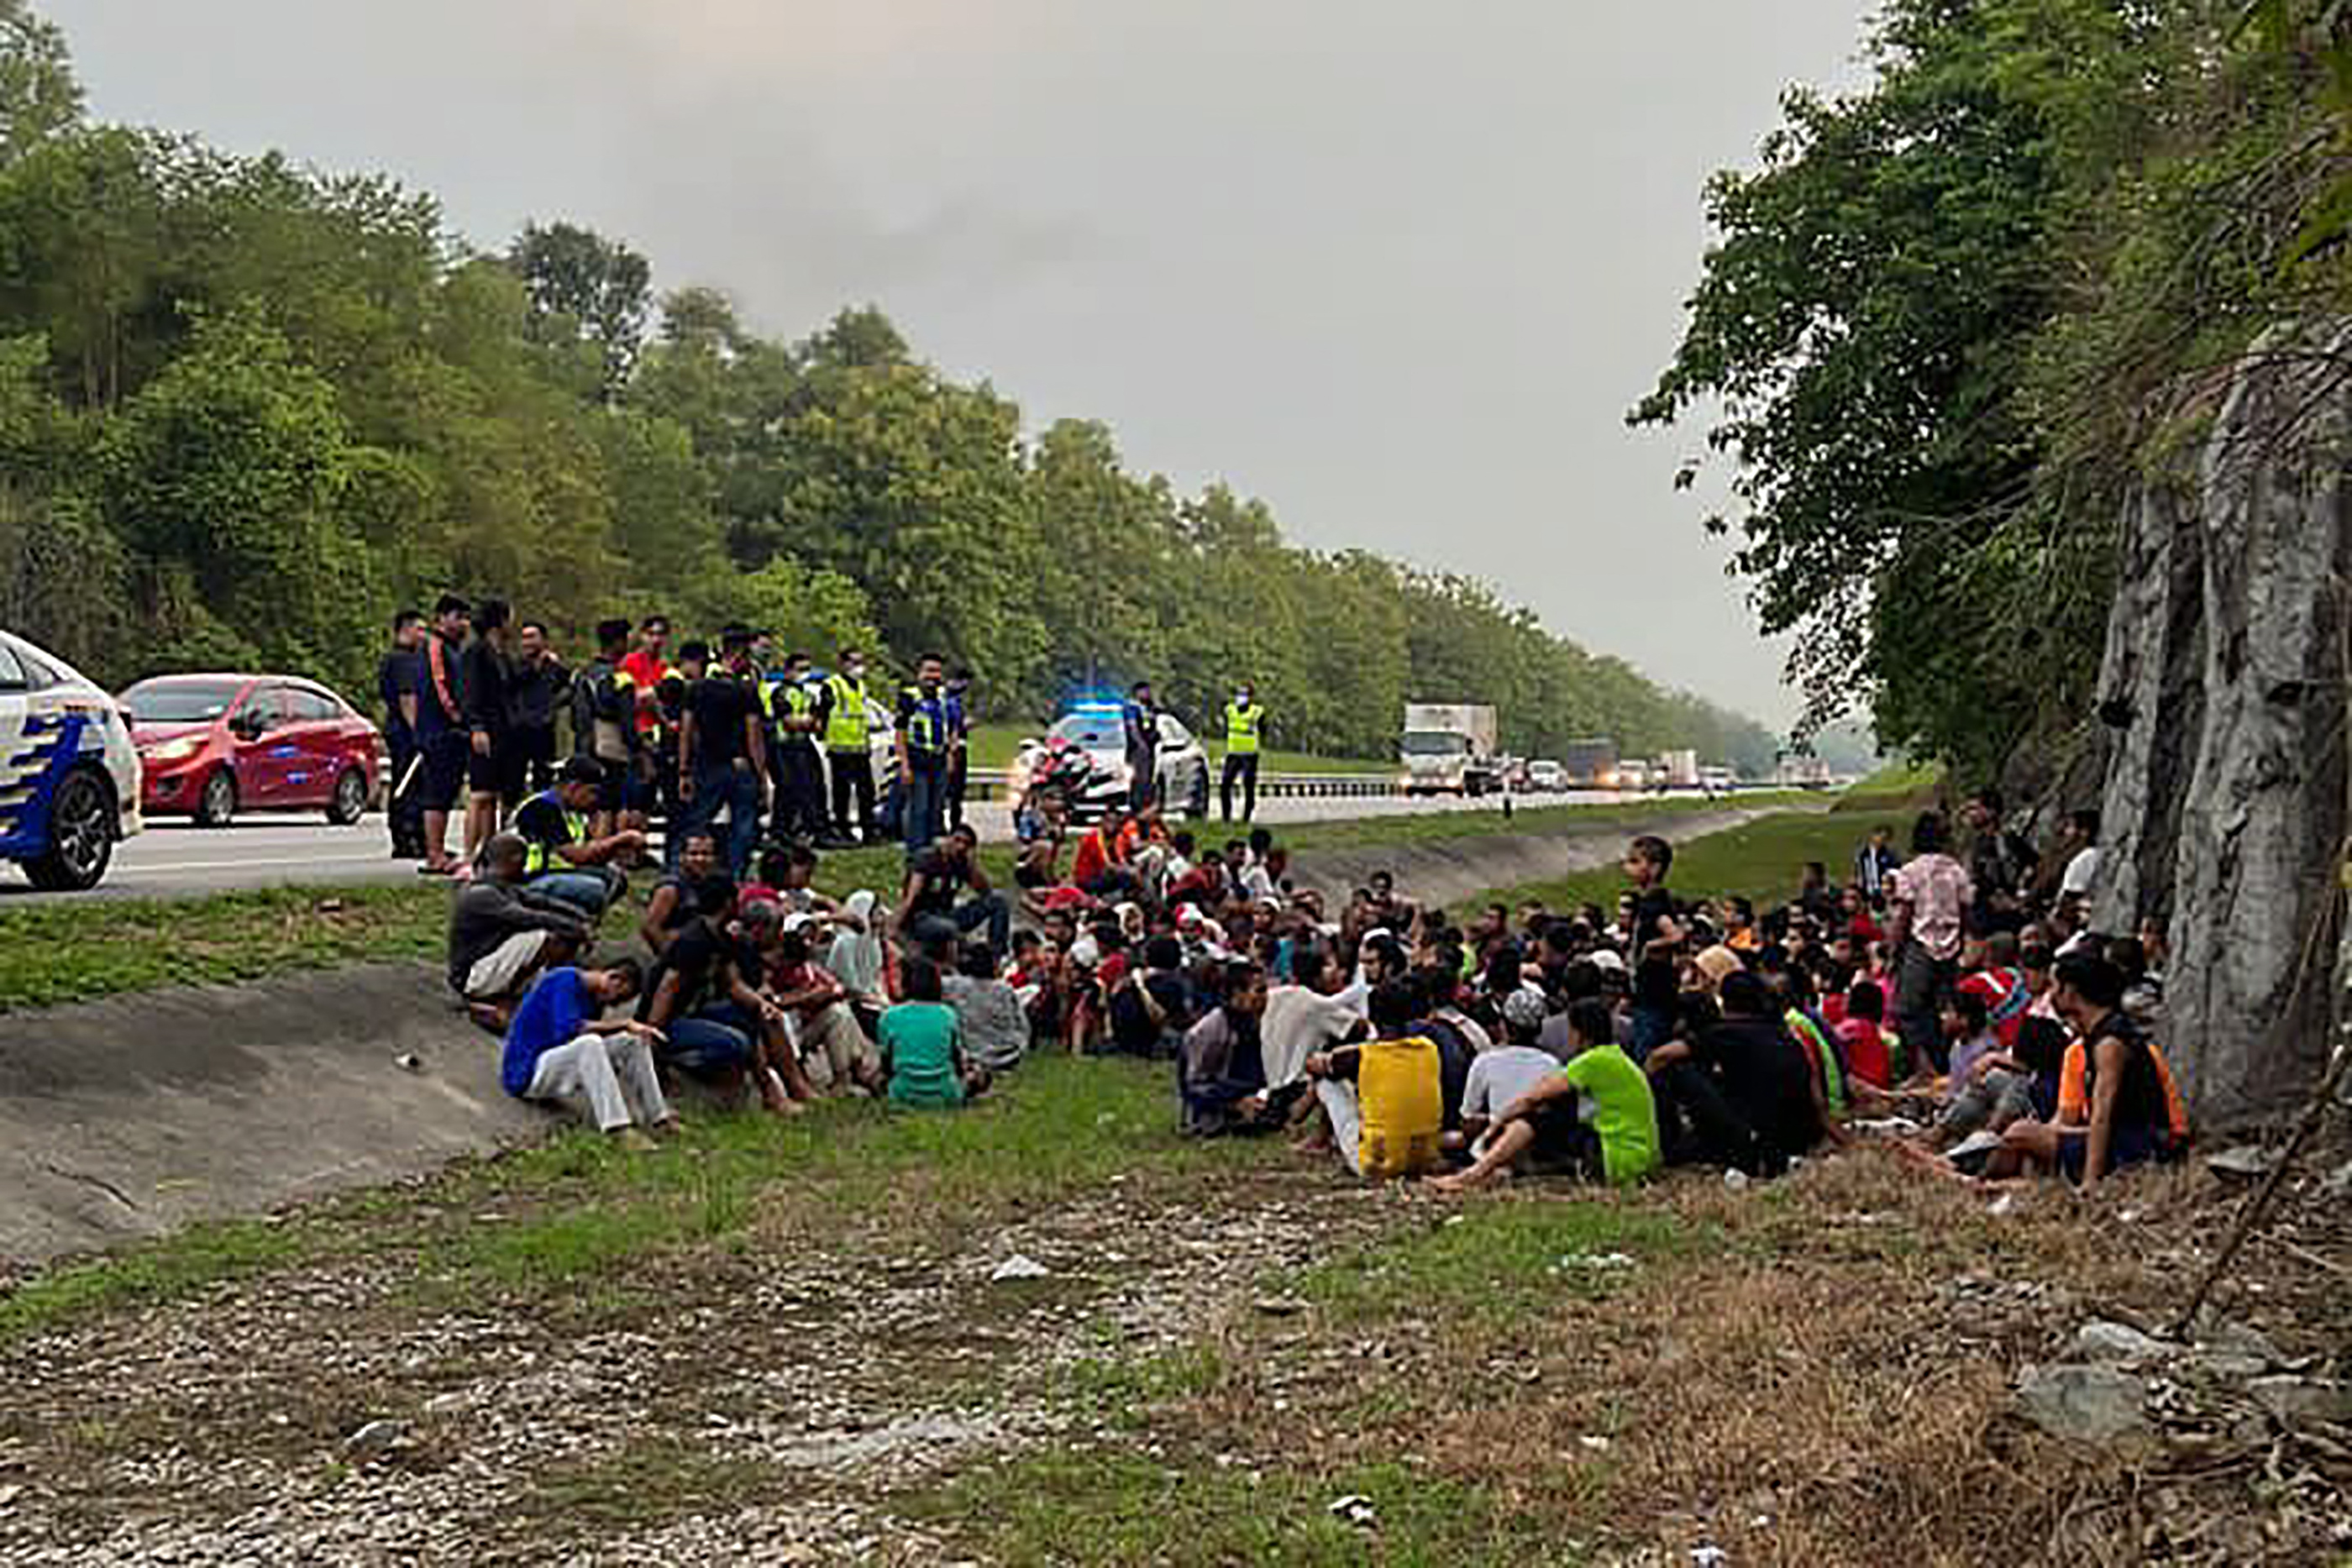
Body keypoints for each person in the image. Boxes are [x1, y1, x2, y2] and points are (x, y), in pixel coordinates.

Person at [1990, 952, 2176, 1189]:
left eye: (2055, 986)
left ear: (2071, 991)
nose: (2051, 994)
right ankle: (1997, 1186)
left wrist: (2091, 1181)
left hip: (2137, 1144)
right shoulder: (2094, 1035)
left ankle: (1979, 1182)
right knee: (2029, 1140)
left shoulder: (2111, 1041)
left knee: (2021, 1133)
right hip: (2120, 1136)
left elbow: (2103, 1113)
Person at [1435, 997, 1659, 1190]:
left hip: (1616, 1159)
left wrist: (1495, 1124)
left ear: (1581, 1033)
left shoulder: (1592, 1062)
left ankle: (1474, 1174)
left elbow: (1532, 1098)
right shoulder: (1614, 1058)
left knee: (1535, 1118)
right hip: (1641, 1159)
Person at [638, 882, 806, 1114]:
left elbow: (733, 984)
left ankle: (781, 1090)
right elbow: (667, 988)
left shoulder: (721, 935)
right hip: (671, 1020)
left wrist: (762, 1005)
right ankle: (692, 1071)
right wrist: (651, 1036)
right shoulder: (694, 939)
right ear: (727, 904)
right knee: (737, 1043)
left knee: (759, 1015)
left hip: (698, 1011)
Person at [1646, 973, 1821, 1177]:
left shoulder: (1726, 1033)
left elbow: (1660, 1057)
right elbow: (1817, 1099)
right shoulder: (1784, 1035)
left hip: (1755, 1140)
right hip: (1797, 1137)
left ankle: (1666, 1144)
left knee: (1677, 1069)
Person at [501, 960, 677, 1149]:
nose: (611, 1004)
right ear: (613, 978)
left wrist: (630, 1031)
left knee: (632, 1042)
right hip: (527, 1072)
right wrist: (623, 1023)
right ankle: (618, 1128)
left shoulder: (593, 999)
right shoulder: (564, 980)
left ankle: (659, 1119)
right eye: (616, 997)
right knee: (589, 1043)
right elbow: (570, 1030)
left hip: (554, 1064)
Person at [446, 831, 591, 1028]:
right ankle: (500, 999)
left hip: (487, 964)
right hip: (472, 977)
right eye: (524, 859)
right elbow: (530, 917)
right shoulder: (482, 894)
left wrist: (580, 917)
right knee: (549, 937)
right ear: (516, 859)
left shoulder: (502, 886)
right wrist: (577, 930)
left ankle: (517, 996)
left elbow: (542, 902)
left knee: (558, 931)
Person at [1305, 979, 1443, 1179]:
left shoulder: (1362, 1056)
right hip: (1422, 1160)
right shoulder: (1429, 1048)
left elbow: (1314, 1065)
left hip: (1376, 1163)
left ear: (1371, 1017)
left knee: (1327, 1083)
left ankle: (1319, 1138)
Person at [678, 627, 769, 879]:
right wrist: (761, 775)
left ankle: (686, 870)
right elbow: (754, 737)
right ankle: (736, 874)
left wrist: (684, 770)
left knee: (697, 822)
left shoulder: (696, 689)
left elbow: (686, 732)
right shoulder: (746, 691)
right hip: (738, 767)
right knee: (743, 825)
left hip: (706, 765)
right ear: (739, 655)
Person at [1886, 811, 1972, 1074]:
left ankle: (1926, 1067)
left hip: (1920, 944)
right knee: (1939, 1010)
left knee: (1906, 1009)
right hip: (1951, 946)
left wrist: (1893, 948)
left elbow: (1905, 913)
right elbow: (1966, 908)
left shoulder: (1910, 872)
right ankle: (1944, 1062)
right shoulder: (1956, 870)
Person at [512, 757, 644, 917]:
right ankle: (563, 918)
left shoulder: (572, 812)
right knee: (594, 889)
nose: (594, 799)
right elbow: (579, 856)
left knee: (615, 878)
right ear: (574, 787)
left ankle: (575, 920)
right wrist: (621, 839)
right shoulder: (542, 808)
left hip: (554, 873)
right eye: (592, 792)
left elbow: (594, 852)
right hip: (526, 879)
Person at [760, 926, 878, 1095]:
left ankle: (844, 1078)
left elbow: (837, 987)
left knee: (839, 1012)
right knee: (838, 1012)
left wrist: (822, 994)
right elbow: (772, 1001)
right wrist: (805, 996)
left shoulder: (805, 967)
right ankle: (859, 1070)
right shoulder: (765, 969)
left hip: (805, 1026)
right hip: (780, 1035)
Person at [1180, 961, 1289, 1135]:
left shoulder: (1260, 1022)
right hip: (1220, 1101)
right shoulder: (1212, 1028)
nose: (1266, 997)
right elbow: (1195, 1086)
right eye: (1260, 991)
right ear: (1238, 992)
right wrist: (1236, 1103)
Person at [879, 955, 989, 1108]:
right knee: (978, 1073)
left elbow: (887, 1064)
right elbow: (956, 1061)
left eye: (897, 978)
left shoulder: (889, 1016)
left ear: (907, 982)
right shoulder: (947, 1014)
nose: (892, 983)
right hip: (946, 1094)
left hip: (902, 1093)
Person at [571, 618, 644, 842]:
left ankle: (588, 847)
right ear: (618, 643)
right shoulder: (620, 678)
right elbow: (627, 722)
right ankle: (605, 853)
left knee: (590, 804)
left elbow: (574, 717)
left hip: (585, 747)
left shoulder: (581, 674)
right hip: (613, 749)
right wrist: (639, 750)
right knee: (610, 805)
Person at [414, 593, 472, 876]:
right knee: (437, 792)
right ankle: (434, 854)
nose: (463, 623)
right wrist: (460, 718)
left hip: (451, 732)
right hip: (440, 731)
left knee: (448, 792)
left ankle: (437, 849)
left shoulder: (455, 649)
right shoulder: (435, 647)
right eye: (457, 617)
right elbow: (441, 687)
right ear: (441, 618)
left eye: (466, 618)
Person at [896, 823, 1011, 958]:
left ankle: (995, 954)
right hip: (922, 917)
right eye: (957, 840)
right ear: (948, 839)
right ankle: (957, 953)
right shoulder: (927, 858)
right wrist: (897, 926)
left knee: (998, 902)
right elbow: (911, 896)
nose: (960, 847)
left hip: (948, 914)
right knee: (949, 928)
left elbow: (985, 892)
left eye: (966, 844)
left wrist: (972, 865)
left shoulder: (961, 862)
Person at [459, 597, 514, 867]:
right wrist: (476, 727)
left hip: (502, 729)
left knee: (493, 795)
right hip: (484, 728)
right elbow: (469, 692)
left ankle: (488, 852)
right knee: (480, 793)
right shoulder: (476, 651)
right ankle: (468, 854)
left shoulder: (501, 653)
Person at [764, 652, 831, 843]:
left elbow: (817, 724)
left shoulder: (807, 693)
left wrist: (815, 718)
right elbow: (789, 722)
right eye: (800, 669)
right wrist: (809, 721)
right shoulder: (781, 692)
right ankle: (781, 830)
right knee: (788, 789)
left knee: (815, 787)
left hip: (804, 743)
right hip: (785, 745)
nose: (804, 674)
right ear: (788, 671)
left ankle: (815, 829)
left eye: (807, 669)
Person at [378, 610, 428, 859]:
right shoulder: (403, 660)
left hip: (398, 728)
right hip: (406, 732)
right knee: (411, 785)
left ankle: (409, 838)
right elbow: (408, 698)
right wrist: (419, 733)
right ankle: (409, 837)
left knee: (406, 783)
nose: (423, 635)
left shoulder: (394, 658)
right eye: (419, 629)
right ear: (405, 630)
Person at [897, 653, 953, 860]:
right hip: (917, 758)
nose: (934, 676)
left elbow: (951, 728)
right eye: (929, 670)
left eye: (937, 671)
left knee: (936, 807)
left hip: (938, 758)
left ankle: (933, 849)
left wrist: (950, 755)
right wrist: (904, 765)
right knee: (918, 808)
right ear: (919, 673)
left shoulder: (944, 699)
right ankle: (916, 851)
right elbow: (900, 732)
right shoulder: (909, 697)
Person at [504, 621, 566, 805]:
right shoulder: (514, 665)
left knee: (544, 781)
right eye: (524, 638)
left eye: (532, 637)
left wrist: (554, 707)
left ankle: (543, 823)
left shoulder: (553, 667)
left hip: (544, 729)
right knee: (512, 783)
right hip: (518, 731)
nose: (527, 642)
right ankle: (505, 825)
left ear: (544, 640)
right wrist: (536, 664)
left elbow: (569, 685)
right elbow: (512, 684)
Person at [945, 941, 1031, 1075]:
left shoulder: (955, 986)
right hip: (1008, 1054)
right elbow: (1023, 1025)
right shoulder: (1005, 990)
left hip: (973, 1054)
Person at [640, 831, 722, 957]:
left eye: (706, 854)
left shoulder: (718, 884)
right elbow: (650, 927)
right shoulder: (670, 888)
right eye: (693, 854)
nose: (700, 859)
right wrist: (671, 958)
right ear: (682, 857)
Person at [619, 615, 673, 742]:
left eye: (660, 635)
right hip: (635, 732)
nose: (656, 640)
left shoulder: (665, 666)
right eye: (651, 634)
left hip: (659, 732)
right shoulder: (629, 662)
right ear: (642, 636)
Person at [1221, 682, 1266, 823]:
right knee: (1225, 784)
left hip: (1249, 754)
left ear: (1251, 697)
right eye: (1239, 694)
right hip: (1233, 752)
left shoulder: (1256, 712)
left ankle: (1246, 817)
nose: (1241, 697)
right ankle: (1226, 817)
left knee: (1248, 785)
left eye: (1245, 694)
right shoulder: (1229, 710)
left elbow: (1263, 729)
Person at [1122, 680, 1162, 810]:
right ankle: (1136, 807)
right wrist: (1141, 745)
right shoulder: (1132, 707)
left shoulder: (1149, 707)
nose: (1147, 694)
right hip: (1138, 751)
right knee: (1139, 781)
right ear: (1137, 692)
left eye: (1148, 691)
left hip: (1150, 750)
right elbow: (1133, 729)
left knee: (1148, 782)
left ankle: (1146, 805)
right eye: (1144, 691)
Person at [944, 667, 975, 831]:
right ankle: (952, 824)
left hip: (956, 746)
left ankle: (954, 822)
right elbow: (953, 726)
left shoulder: (955, 700)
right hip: (953, 748)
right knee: (954, 790)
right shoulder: (949, 701)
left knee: (955, 791)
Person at [1854, 823, 1902, 908]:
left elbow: (1896, 871)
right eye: (1880, 837)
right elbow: (1859, 871)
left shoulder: (1889, 855)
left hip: (1884, 893)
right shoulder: (1864, 854)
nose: (1881, 840)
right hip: (1868, 893)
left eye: (1884, 839)